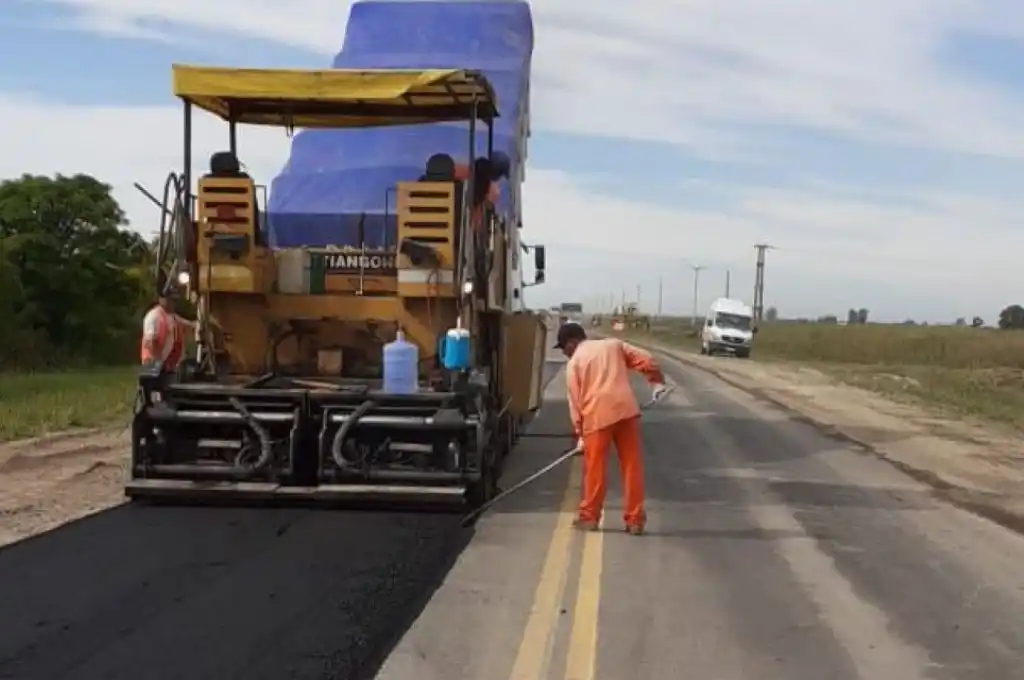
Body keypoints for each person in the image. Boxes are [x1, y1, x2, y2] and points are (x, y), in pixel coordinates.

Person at [554, 322, 669, 535]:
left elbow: (575, 402)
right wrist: (656, 381)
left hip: (596, 418)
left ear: (572, 342)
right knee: (632, 468)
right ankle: (635, 520)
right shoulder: (614, 345)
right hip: (626, 412)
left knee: (595, 470)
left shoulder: (575, 363)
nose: (564, 353)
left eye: (563, 348)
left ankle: (590, 517)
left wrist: (580, 434)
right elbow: (646, 359)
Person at [141, 276, 196, 374]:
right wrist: (158, 363)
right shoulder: (154, 316)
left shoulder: (172, 317)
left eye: (174, 300)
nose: (173, 303)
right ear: (162, 299)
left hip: (168, 367)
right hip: (154, 367)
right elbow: (150, 343)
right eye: (171, 300)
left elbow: (190, 325)